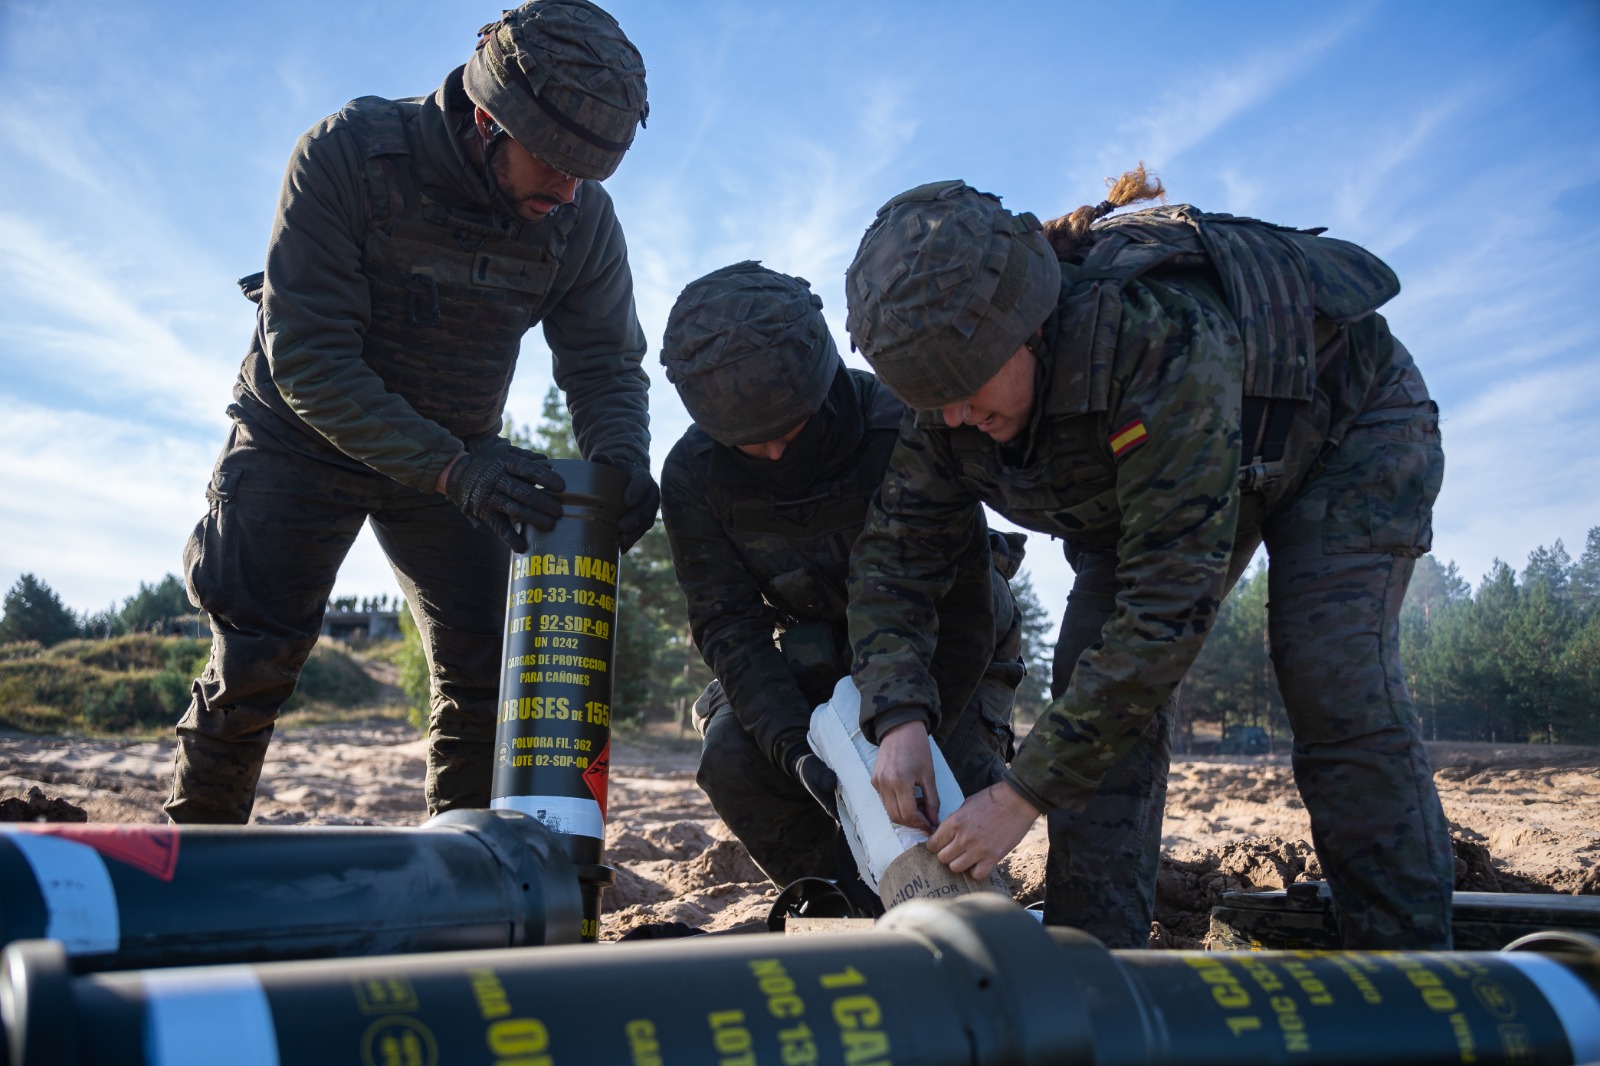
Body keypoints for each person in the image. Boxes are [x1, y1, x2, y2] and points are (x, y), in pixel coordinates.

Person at [842, 170, 1453, 949]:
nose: (955, 417)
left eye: (966, 391)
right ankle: (1096, 965)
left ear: (1029, 327)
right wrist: (897, 716)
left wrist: (1022, 791)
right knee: (1091, 709)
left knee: (1334, 679)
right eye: (935, 400)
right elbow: (893, 559)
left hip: (1339, 429)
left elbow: (1167, 612)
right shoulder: (946, 406)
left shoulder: (1157, 338)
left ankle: (1413, 973)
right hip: (1147, 492)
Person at [166, 0, 659, 824]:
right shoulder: (347, 156)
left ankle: (459, 884)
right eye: (553, 162)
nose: (569, 189)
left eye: (589, 173)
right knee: (255, 658)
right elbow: (312, 362)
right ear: (485, 119)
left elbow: (606, 364)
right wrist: (458, 471)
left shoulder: (578, 218)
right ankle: (186, 871)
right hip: (305, 437)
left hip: (458, 463)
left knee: (486, 669)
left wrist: (619, 465)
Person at [658, 261, 1025, 888]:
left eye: (789, 427)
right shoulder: (694, 475)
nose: (774, 452)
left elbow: (967, 607)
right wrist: (792, 749)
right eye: (750, 441)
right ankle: (839, 901)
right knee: (731, 760)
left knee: (936, 791)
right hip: (809, 654)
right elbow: (729, 628)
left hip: (944, 649)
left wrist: (912, 728)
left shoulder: (903, 427)